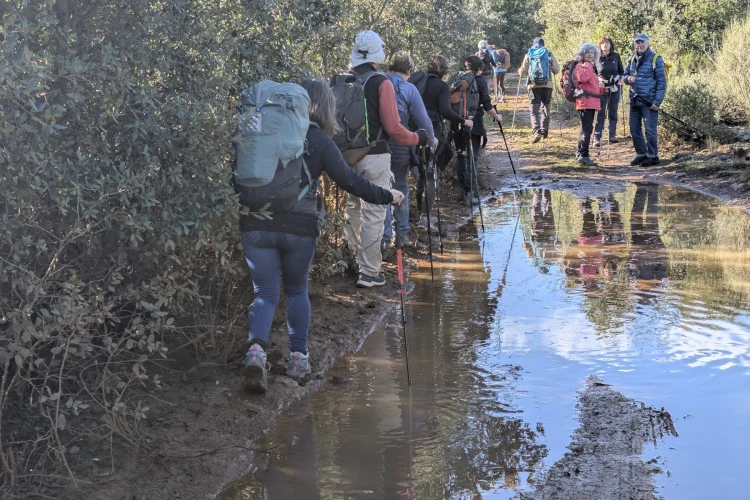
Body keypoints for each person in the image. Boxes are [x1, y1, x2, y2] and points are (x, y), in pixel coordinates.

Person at [241, 78, 406, 394]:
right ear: (320, 107)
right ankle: (298, 359)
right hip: (298, 228)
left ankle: (256, 352)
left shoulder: (262, 132)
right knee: (296, 289)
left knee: (264, 293)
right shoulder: (318, 139)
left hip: (255, 224)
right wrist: (388, 195)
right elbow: (351, 182)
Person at [341, 31, 429, 288]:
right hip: (375, 155)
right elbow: (393, 127)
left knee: (352, 208)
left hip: (346, 156)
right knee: (374, 211)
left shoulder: (343, 79)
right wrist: (418, 138)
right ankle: (369, 272)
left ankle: (352, 261)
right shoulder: (382, 82)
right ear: (377, 54)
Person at [381, 51, 436, 251]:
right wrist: (431, 139)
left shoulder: (378, 83)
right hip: (401, 145)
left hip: (377, 145)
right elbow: (423, 120)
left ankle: (385, 238)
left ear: (390, 66)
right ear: (409, 69)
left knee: (382, 189)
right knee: (401, 186)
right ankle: (401, 234)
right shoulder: (408, 88)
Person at [408, 55, 472, 219]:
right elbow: (444, 111)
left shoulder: (418, 82)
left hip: (412, 130)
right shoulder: (442, 86)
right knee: (430, 175)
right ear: (444, 70)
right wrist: (463, 121)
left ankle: (419, 209)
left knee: (420, 171)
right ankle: (425, 216)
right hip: (431, 132)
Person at [453, 55, 502, 205]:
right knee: (472, 158)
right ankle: (469, 194)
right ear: (480, 68)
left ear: (466, 67)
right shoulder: (480, 81)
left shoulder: (458, 79)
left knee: (461, 156)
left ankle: (462, 191)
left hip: (457, 123)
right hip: (474, 124)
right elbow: (487, 105)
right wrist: (497, 116)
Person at [621, 33, 667, 166]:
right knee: (634, 129)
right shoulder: (631, 59)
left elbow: (662, 82)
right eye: (637, 42)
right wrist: (628, 79)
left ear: (647, 43)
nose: (640, 45)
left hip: (649, 101)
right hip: (634, 100)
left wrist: (657, 101)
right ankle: (641, 154)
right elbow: (624, 76)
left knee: (650, 130)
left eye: (642, 42)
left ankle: (653, 156)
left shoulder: (656, 59)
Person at [518, 37, 560, 143]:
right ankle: (544, 131)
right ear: (543, 45)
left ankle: (536, 131)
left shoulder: (529, 54)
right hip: (547, 85)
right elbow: (556, 70)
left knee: (534, 110)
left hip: (533, 86)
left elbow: (523, 72)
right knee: (546, 107)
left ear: (533, 44)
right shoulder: (549, 54)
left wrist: (519, 71)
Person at [574, 43, 604, 166]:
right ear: (582, 53)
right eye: (588, 52)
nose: (590, 55)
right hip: (585, 101)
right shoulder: (581, 66)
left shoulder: (589, 67)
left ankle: (580, 153)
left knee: (585, 129)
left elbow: (592, 86)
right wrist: (588, 66)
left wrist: (604, 89)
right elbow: (583, 78)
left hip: (590, 101)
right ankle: (584, 155)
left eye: (592, 53)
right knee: (587, 129)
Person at [593, 36, 624, 147]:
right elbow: (592, 73)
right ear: (600, 45)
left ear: (611, 45)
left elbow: (621, 71)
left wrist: (621, 79)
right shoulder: (596, 57)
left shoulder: (616, 56)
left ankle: (612, 135)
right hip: (601, 87)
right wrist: (598, 81)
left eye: (607, 43)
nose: (605, 45)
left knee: (613, 111)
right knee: (600, 112)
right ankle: (597, 137)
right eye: (603, 43)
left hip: (615, 86)